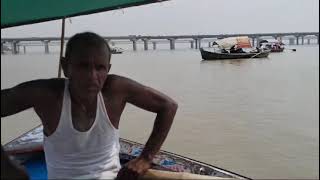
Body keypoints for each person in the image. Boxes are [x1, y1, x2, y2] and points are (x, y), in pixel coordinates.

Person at [1, 32, 178, 179]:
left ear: (108, 68)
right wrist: (5, 166)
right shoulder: (47, 94)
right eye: (83, 66)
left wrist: (145, 159)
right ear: (65, 67)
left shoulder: (115, 90)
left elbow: (168, 106)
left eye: (100, 68)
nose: (92, 76)